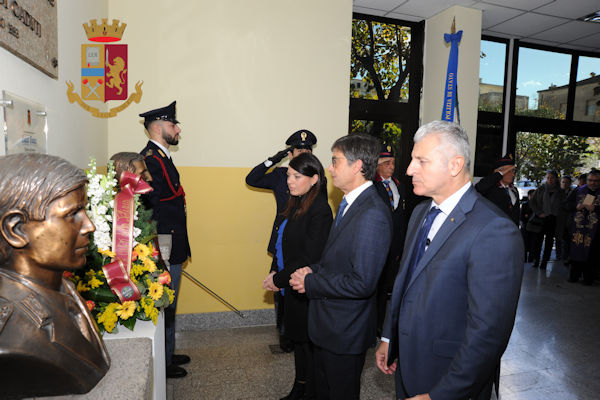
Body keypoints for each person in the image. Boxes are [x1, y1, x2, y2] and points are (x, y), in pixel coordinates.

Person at [376, 121, 523, 400]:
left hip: (446, 379)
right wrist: (389, 337)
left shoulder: (494, 229)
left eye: (421, 161)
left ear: (455, 165)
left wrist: (441, 394)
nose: (409, 170)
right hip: (409, 364)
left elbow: (488, 332)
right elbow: (406, 282)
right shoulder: (420, 213)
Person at [289, 134, 392, 400]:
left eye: (335, 161)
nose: (330, 168)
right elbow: (337, 259)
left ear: (357, 166)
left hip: (345, 330)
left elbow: (362, 282)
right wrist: (313, 270)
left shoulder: (372, 213)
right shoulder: (349, 203)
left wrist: (310, 282)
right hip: (329, 326)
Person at [0, 153, 110, 398]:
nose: (89, 226)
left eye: (84, 210)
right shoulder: (11, 336)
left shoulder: (64, 288)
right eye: (72, 214)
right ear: (16, 230)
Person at [262, 153, 332, 400]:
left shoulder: (320, 210)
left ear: (314, 179)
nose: (289, 181)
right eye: (289, 176)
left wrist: (278, 279)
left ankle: (310, 390)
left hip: (306, 287)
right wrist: (276, 271)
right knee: (300, 343)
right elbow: (284, 244)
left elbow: (308, 256)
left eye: (296, 176)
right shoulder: (297, 204)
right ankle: (300, 386)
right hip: (292, 284)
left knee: (309, 345)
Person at [246, 129, 317, 352]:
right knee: (279, 287)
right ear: (290, 153)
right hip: (281, 242)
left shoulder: (316, 178)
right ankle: (284, 335)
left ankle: (300, 334)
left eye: (307, 152)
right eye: (299, 151)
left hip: (302, 243)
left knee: (299, 288)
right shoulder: (280, 175)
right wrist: (275, 158)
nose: (303, 155)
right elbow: (252, 178)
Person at [139, 101, 191, 379]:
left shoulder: (161, 156)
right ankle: (164, 361)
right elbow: (152, 207)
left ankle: (168, 352)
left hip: (171, 238)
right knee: (165, 301)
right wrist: (159, 249)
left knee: (169, 301)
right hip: (164, 241)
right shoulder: (150, 159)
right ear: (158, 127)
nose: (178, 129)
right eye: (173, 124)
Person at [372, 143, 408, 336]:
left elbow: (400, 219)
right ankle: (369, 326)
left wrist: (400, 247)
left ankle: (378, 325)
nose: (392, 167)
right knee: (373, 287)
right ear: (378, 165)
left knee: (385, 286)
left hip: (393, 247)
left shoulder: (398, 185)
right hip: (376, 246)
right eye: (387, 163)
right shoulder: (371, 186)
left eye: (393, 163)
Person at [566, 170, 600, 285]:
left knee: (592, 255)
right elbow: (566, 204)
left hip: (595, 231)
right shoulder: (578, 190)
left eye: (596, 181)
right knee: (576, 252)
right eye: (590, 180)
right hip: (578, 229)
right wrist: (576, 206)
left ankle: (588, 278)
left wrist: (595, 209)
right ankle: (574, 276)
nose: (593, 183)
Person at [529, 170, 565, 269]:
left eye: (552, 178)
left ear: (556, 179)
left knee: (549, 242)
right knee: (538, 241)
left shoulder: (560, 192)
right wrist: (539, 213)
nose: (550, 179)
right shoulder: (541, 189)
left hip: (553, 219)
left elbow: (563, 206)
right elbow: (532, 202)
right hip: (541, 218)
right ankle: (536, 260)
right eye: (548, 177)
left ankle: (544, 262)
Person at [474, 153, 520, 225]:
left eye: (513, 171)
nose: (512, 174)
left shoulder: (514, 190)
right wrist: (498, 175)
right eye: (508, 171)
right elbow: (478, 188)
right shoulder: (490, 188)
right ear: (498, 173)